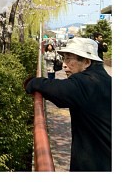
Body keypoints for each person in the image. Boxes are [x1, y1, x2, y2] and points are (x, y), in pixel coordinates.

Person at [25, 37, 111, 171]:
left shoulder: (86, 82)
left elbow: (58, 91)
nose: (64, 65)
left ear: (87, 62)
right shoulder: (104, 79)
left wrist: (31, 82)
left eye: (69, 59)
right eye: (64, 58)